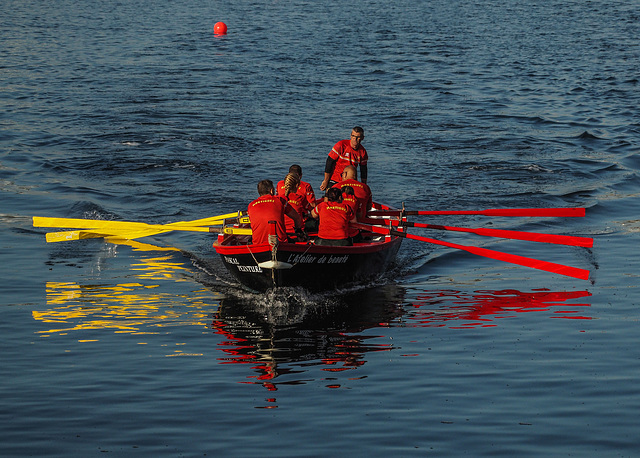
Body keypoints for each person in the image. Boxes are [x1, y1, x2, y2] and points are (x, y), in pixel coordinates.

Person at [247, 179, 302, 245]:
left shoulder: (251, 205)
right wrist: (298, 231)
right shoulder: (280, 201)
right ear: (271, 191)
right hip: (280, 243)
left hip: (259, 244)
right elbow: (297, 218)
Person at [320, 126, 368, 191]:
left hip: (350, 182)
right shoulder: (341, 145)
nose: (355, 139)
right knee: (329, 197)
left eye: (358, 137)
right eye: (353, 136)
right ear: (350, 136)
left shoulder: (363, 152)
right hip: (335, 179)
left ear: (362, 138)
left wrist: (364, 186)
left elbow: (363, 170)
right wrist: (325, 181)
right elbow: (329, 162)